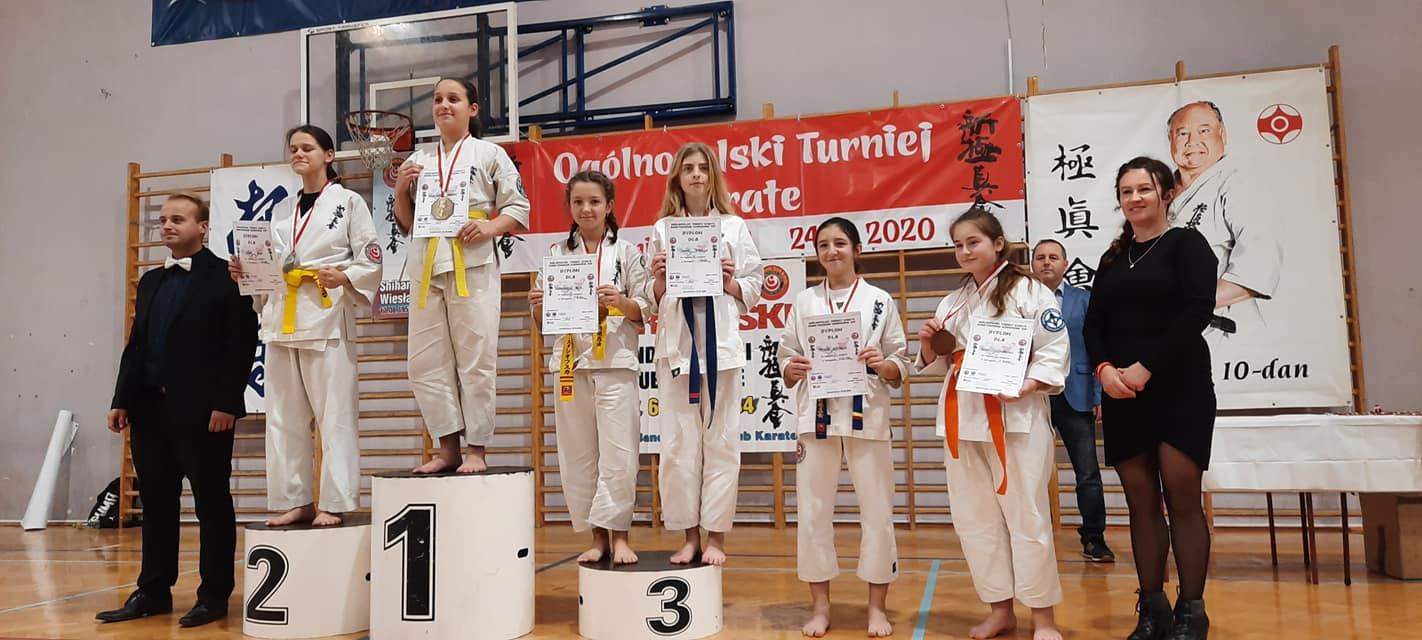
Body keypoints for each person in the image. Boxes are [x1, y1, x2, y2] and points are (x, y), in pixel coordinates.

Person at [98, 193, 259, 628]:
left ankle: (214, 595)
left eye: (178, 219)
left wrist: (227, 403)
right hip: (150, 408)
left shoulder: (226, 277)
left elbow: (240, 344)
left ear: (202, 227)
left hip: (204, 412)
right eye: (164, 219)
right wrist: (121, 398)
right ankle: (153, 590)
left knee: (211, 503)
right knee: (156, 503)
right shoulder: (151, 280)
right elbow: (137, 345)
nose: (168, 225)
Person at [916, 208, 1067, 640]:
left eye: (973, 242)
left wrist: (1029, 383)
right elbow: (937, 362)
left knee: (1027, 518)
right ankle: (1000, 609)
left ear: (998, 243)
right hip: (963, 417)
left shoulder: (1031, 291)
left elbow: (1054, 348)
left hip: (1015, 416)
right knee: (975, 520)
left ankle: (1043, 618)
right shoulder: (953, 301)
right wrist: (929, 344)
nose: (964, 251)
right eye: (958, 245)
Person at [1085, 156, 1217, 640]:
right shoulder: (1112, 259)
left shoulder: (1187, 244)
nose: (1135, 198)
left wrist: (1147, 366)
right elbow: (1094, 324)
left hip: (1180, 387)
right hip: (1123, 391)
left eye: (1144, 189)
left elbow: (1197, 310)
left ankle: (1192, 611)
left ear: (1166, 193)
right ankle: (1153, 608)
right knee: (1140, 503)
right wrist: (1104, 370)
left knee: (1182, 499)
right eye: (1126, 191)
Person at [230, 125, 381, 527]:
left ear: (328, 155)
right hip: (282, 319)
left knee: (335, 417)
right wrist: (248, 275)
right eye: (293, 148)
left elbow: (371, 257)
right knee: (283, 418)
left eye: (307, 148)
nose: (298, 154)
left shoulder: (349, 202)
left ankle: (335, 501)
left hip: (326, 318)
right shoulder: (283, 212)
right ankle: (295, 500)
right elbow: (270, 273)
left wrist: (345, 276)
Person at [392, 77, 530, 473]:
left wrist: (489, 226)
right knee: (424, 363)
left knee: (476, 359)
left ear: (472, 108)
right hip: (426, 264)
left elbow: (518, 207)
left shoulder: (490, 154)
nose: (443, 105)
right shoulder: (417, 160)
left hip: (472, 262)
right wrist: (401, 189)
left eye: (453, 98)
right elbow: (406, 224)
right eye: (438, 99)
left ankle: (477, 450)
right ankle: (448, 448)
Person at [779, 217, 907, 638]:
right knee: (813, 512)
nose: (831, 251)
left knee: (877, 511)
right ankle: (820, 608)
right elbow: (786, 357)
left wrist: (883, 363)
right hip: (815, 418)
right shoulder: (805, 301)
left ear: (857, 250)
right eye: (823, 245)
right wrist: (792, 368)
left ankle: (877, 608)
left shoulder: (879, 300)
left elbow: (900, 360)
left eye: (839, 243)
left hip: (867, 415)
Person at [647, 142, 763, 566]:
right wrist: (660, 278)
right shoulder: (663, 229)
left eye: (702, 168)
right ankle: (689, 536)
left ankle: (716, 537)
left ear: (712, 175)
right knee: (678, 446)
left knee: (722, 443)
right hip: (677, 348)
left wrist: (731, 282)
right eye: (688, 168)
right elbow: (651, 295)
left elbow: (755, 282)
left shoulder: (733, 226)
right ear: (677, 178)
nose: (696, 174)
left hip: (722, 350)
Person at [528, 170, 650, 565]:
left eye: (594, 201)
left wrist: (619, 302)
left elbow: (644, 309)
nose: (586, 209)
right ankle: (597, 538)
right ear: (569, 207)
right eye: (578, 202)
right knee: (579, 455)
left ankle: (621, 537)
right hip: (571, 364)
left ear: (609, 206)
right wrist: (538, 306)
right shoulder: (556, 256)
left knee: (619, 453)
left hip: (615, 362)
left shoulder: (627, 253)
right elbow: (543, 321)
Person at [1165, 100, 1282, 337]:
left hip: (1224, 332)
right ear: (1170, 140)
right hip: (1172, 333)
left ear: (1223, 134)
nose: (1192, 141)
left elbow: (1258, 265)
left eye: (1203, 130)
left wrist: (1184, 306)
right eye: (1182, 133)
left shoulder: (1239, 183)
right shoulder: (1161, 191)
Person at [1031, 239, 1113, 562]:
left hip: (1076, 393)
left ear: (1065, 264)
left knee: (1087, 472)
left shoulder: (1084, 299)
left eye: (1053, 257)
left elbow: (1097, 348)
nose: (1046, 262)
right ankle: (1030, 538)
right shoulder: (1021, 301)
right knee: (1028, 470)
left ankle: (1094, 538)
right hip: (1032, 394)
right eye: (1040, 257)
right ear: (1032, 265)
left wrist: (1098, 393)